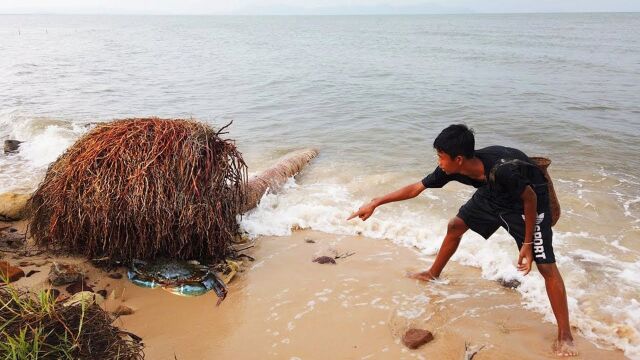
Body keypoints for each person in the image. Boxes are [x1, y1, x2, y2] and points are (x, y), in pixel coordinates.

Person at [347, 124, 577, 357]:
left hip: (528, 200)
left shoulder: (503, 169)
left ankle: (565, 334)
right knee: (455, 226)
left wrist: (527, 244)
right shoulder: (452, 169)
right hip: (493, 192)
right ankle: (432, 273)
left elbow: (529, 198)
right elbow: (416, 188)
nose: (438, 162)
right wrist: (376, 202)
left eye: (440, 156)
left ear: (458, 159)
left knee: (546, 265)